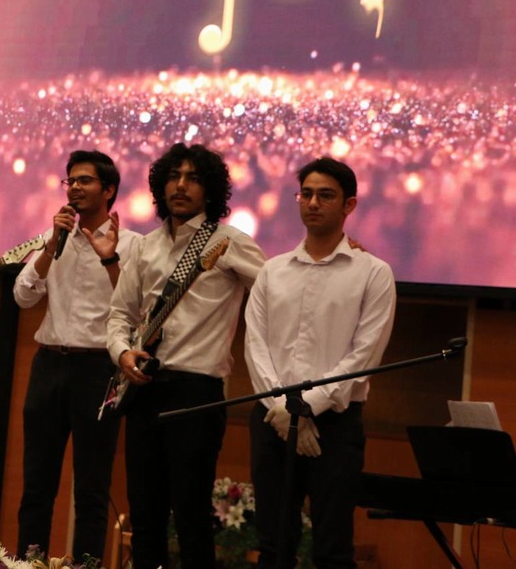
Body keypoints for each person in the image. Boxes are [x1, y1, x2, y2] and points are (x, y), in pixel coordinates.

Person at [106, 143, 266, 569]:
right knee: (144, 514)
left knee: (191, 515)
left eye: (193, 178)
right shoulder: (145, 246)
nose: (180, 186)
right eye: (174, 177)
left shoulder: (228, 242)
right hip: (143, 389)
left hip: (197, 392)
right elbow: (119, 315)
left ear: (210, 190)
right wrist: (122, 353)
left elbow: (278, 290)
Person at [245, 157, 396, 569]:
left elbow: (364, 355)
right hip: (272, 420)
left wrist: (305, 407)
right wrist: (284, 411)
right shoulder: (272, 271)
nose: (313, 203)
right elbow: (255, 346)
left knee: (332, 551)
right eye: (306, 194)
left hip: (335, 425)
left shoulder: (373, 273)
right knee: (273, 548)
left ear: (349, 205)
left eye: (326, 195)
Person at [13, 150, 140, 561]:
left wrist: (110, 258)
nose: (75, 188)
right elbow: (22, 296)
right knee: (36, 485)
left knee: (91, 489)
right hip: (49, 364)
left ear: (109, 190)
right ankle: (28, 564)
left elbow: (138, 309)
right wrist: (51, 245)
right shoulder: (55, 238)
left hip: (98, 370)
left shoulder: (132, 244)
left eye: (85, 180)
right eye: (71, 181)